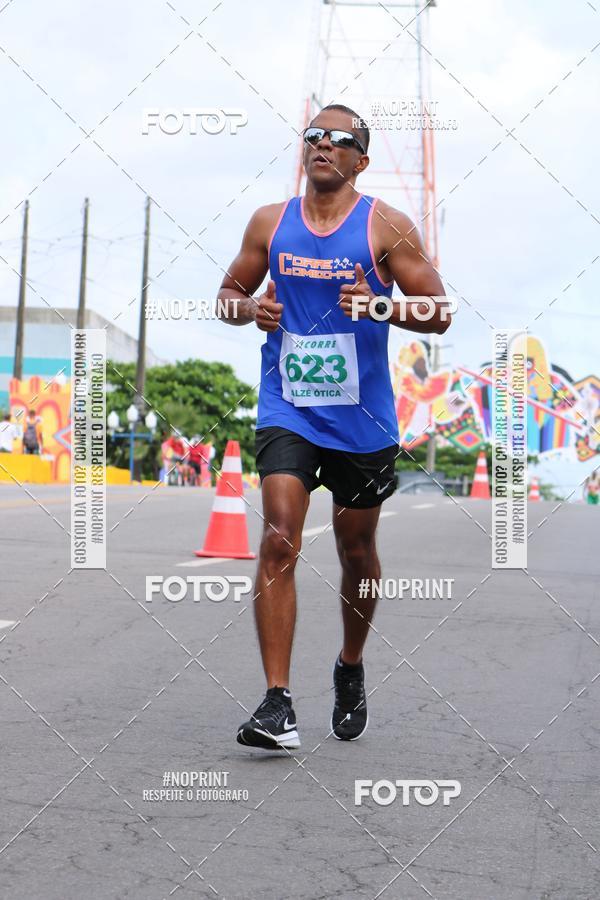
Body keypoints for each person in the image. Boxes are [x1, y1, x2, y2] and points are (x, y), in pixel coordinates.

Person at [217, 103, 451, 750]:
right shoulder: (271, 223)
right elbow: (226, 296)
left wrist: (381, 303)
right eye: (313, 135)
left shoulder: (386, 227)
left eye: (338, 138)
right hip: (288, 404)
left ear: (360, 160)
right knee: (279, 538)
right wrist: (250, 310)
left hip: (363, 420)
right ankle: (276, 704)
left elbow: (440, 311)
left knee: (356, 552)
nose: (322, 144)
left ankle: (349, 666)